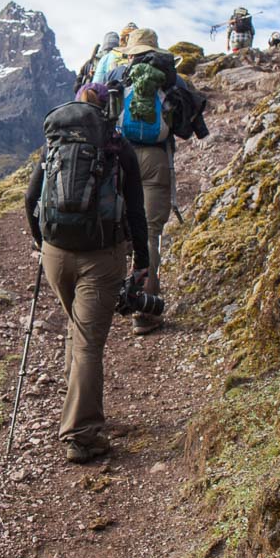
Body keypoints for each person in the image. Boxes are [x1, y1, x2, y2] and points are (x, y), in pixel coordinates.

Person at [25, 83, 150, 463]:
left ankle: (75, 404)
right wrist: (142, 261)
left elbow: (31, 198)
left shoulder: (55, 146)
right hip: (101, 256)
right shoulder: (116, 146)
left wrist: (40, 242)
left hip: (55, 254)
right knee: (88, 344)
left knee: (76, 330)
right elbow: (136, 210)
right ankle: (82, 434)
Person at [104, 28, 175, 335]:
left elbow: (105, 115)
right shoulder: (169, 76)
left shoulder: (120, 75)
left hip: (124, 158)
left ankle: (119, 297)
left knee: (127, 228)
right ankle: (146, 310)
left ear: (130, 52)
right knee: (152, 232)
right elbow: (183, 119)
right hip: (157, 160)